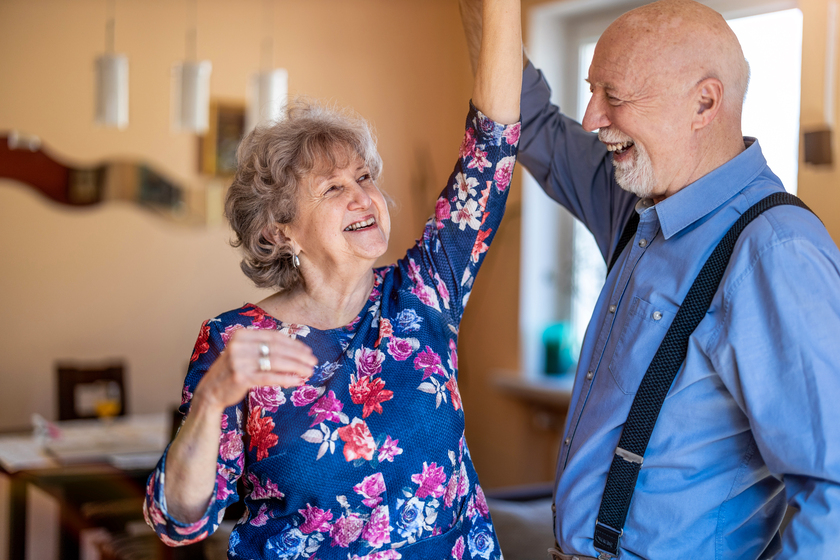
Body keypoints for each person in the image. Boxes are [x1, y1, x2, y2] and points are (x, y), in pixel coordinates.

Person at [458, 0, 840, 558]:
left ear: (704, 103)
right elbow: (531, 122)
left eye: (614, 96)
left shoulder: (775, 252)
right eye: (592, 91)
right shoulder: (636, 199)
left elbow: (832, 490)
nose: (591, 117)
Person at [143, 2, 522, 558]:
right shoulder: (234, 341)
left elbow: (492, 150)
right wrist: (210, 401)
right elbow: (179, 518)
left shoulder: (424, 291)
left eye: (364, 177)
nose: (363, 196)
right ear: (281, 232)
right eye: (332, 189)